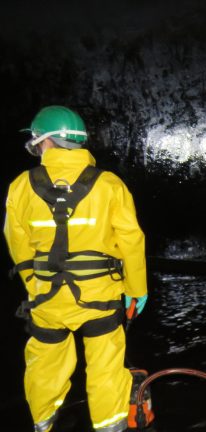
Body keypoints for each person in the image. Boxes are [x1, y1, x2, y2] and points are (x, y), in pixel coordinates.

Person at [4, 105, 149, 431]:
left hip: (47, 300)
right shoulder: (109, 184)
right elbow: (131, 241)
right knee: (106, 367)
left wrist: (34, 282)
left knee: (45, 364)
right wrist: (137, 290)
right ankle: (110, 425)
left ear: (45, 141)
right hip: (101, 298)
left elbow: (18, 245)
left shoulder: (21, 187)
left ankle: (43, 422)